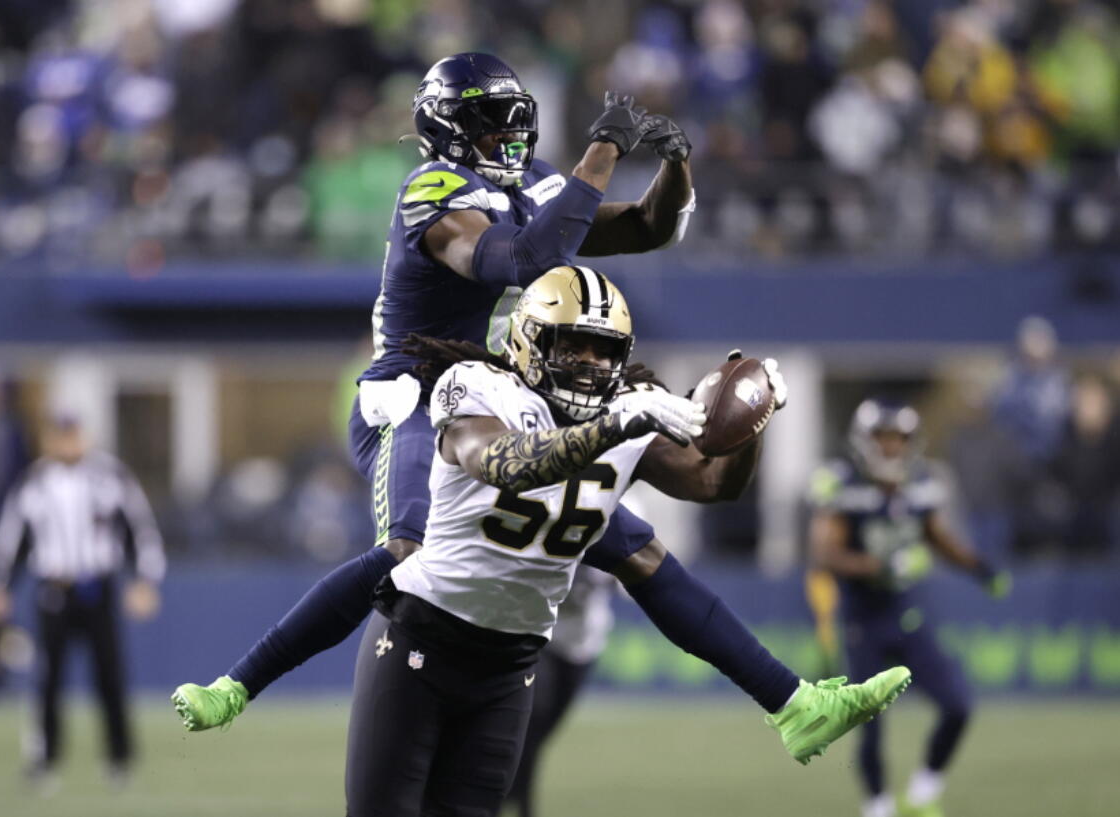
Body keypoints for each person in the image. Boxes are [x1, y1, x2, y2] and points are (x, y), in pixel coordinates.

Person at [176, 267, 912, 816]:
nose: (594, 365)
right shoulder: (476, 386)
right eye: (577, 347)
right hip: (417, 646)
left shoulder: (623, 412)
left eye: (605, 351)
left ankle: (792, 704)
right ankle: (237, 682)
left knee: (648, 557)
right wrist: (615, 427)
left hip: (511, 668)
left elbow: (712, 483)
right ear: (531, 343)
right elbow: (506, 463)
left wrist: (748, 421)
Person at [807, 399, 1010, 817]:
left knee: (957, 705)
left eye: (899, 438)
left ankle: (921, 794)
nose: (892, 448)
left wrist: (978, 568)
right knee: (869, 723)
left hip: (905, 614)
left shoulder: (919, 483)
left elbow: (938, 536)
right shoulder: (844, 484)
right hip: (861, 619)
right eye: (883, 438)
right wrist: (882, 565)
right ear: (864, 441)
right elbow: (825, 554)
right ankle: (878, 808)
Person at [0, 414, 166, 789]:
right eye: (59, 436)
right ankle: (45, 759)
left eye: (72, 436)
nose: (67, 444)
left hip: (98, 585)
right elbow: (12, 539)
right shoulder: (33, 482)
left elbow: (139, 529)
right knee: (48, 677)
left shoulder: (110, 475)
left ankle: (119, 759)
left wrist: (145, 580)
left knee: (109, 674)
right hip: (54, 588)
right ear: (48, 440)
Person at [501, 564, 617, 817]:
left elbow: (630, 569)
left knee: (542, 732)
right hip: (540, 635)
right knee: (531, 723)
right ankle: (521, 805)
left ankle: (510, 792)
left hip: (584, 640)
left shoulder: (612, 526)